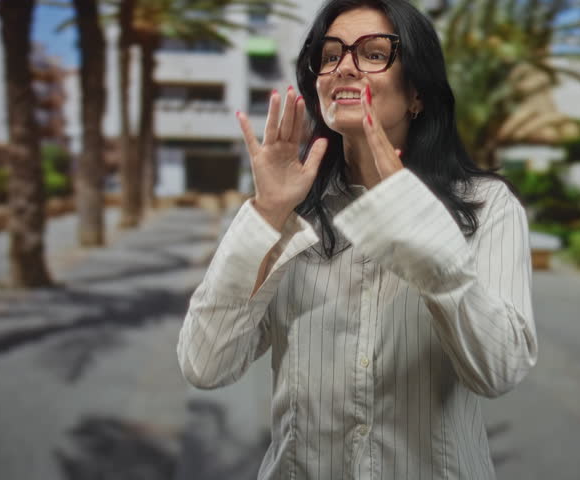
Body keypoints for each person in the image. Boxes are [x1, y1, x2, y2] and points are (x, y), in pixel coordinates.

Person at [176, 0, 538, 478]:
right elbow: (205, 366)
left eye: (372, 53)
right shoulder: (291, 213)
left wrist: (413, 220)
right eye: (330, 56)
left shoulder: (487, 207)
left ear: (417, 94)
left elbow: (499, 370)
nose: (344, 66)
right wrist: (266, 213)